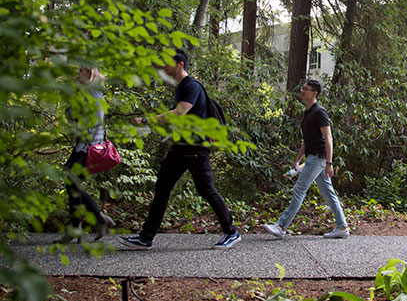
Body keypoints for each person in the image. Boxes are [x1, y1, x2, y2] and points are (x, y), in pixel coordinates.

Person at [118, 49, 240, 250]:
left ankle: (231, 231)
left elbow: (179, 113)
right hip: (180, 148)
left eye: (168, 62)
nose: (164, 65)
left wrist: (146, 120)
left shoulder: (191, 86)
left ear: (180, 64)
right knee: (162, 188)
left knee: (206, 189)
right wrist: (171, 146)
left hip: (195, 149)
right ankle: (146, 237)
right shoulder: (182, 87)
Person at [263, 79, 350, 239]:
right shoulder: (308, 113)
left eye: (306, 89)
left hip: (319, 158)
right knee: (328, 193)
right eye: (302, 87)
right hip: (312, 157)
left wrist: (329, 163)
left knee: (299, 189)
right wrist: (297, 160)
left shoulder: (319, 112)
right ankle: (342, 227)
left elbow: (328, 138)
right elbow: (307, 140)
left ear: (314, 93)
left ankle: (281, 227)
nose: (302, 90)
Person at [55, 67, 115, 244]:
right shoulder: (93, 93)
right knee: (72, 183)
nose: (77, 73)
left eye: (81, 71)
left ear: (89, 74)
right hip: (85, 144)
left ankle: (99, 219)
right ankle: (77, 226)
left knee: (72, 182)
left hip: (88, 146)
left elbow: (72, 115)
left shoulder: (91, 94)